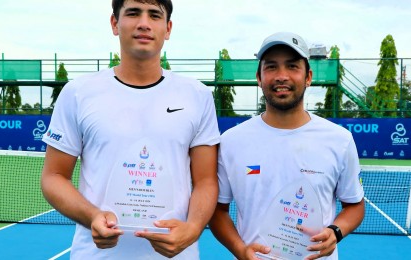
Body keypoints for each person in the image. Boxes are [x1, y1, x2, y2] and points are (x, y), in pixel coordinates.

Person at [41, 0, 220, 259]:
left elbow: (206, 180)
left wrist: (192, 228)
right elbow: (53, 176)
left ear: (168, 28)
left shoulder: (198, 95)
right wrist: (93, 216)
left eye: (154, 15)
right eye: (133, 13)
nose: (144, 24)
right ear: (115, 23)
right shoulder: (78, 93)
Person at [208, 32, 365, 260]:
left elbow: (354, 206)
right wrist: (240, 250)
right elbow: (217, 211)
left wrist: (335, 232)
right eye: (271, 67)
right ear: (259, 77)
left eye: (292, 66)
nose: (282, 76)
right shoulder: (231, 141)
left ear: (308, 77)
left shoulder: (339, 139)